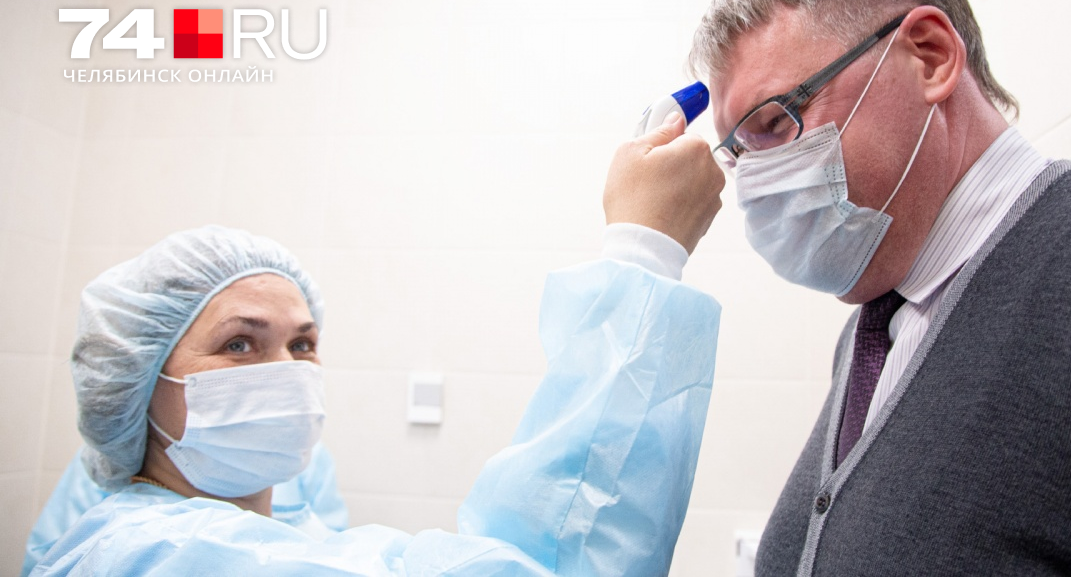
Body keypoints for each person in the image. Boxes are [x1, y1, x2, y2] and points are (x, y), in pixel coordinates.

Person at [603, 0, 1071, 576]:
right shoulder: (874, 336)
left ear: (930, 57)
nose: (754, 181)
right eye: (740, 153)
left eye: (776, 122)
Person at [31, 223, 720, 576]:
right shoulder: (151, 555)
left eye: (303, 344)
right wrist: (643, 253)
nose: (286, 370)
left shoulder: (286, 536)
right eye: (239, 344)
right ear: (139, 384)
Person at [22, 442, 348, 576]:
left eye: (300, 345)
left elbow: (335, 555)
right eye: (236, 345)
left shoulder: (305, 458)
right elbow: (54, 558)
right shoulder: (118, 462)